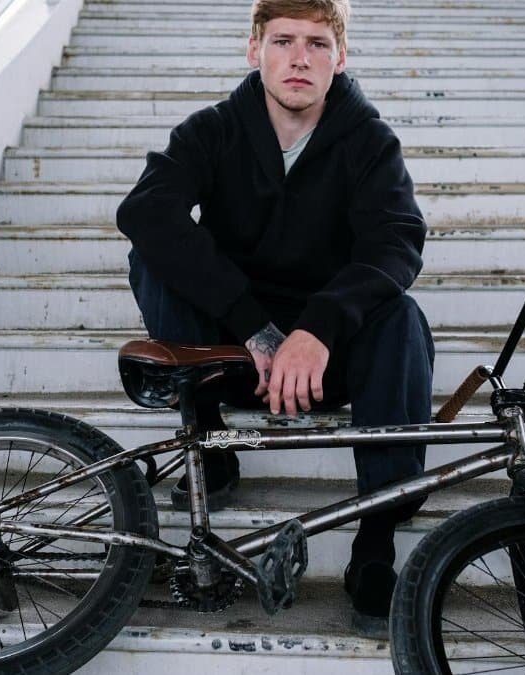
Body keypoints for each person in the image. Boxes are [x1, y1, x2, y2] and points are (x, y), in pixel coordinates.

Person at [115, 0, 435, 635]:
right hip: (233, 353)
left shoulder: (370, 142)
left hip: (326, 357)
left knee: (401, 317)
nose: (299, 57)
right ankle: (211, 446)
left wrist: (317, 329)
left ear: (339, 58)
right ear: (254, 49)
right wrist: (251, 324)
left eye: (318, 43)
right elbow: (146, 211)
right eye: (284, 40)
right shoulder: (211, 130)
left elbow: (396, 241)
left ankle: (374, 541)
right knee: (150, 258)